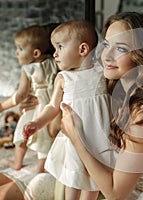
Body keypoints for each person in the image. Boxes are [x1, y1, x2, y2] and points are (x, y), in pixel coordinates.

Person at [60, 12, 143, 200]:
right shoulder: (127, 99)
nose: (107, 56)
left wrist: (76, 139)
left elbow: (115, 193)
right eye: (106, 45)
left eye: (121, 49)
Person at [23, 20, 111, 200]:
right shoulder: (63, 78)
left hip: (100, 138)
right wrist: (37, 123)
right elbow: (52, 106)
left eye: (60, 47)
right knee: (74, 178)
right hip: (74, 139)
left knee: (94, 181)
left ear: (83, 49)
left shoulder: (101, 72)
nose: (54, 54)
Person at [0, 24, 58, 173]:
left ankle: (17, 162)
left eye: (20, 48)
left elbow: (20, 95)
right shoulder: (54, 62)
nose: (16, 53)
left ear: (36, 53)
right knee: (45, 137)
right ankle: (41, 167)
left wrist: (2, 106)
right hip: (51, 105)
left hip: (36, 105)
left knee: (22, 132)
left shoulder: (28, 69)